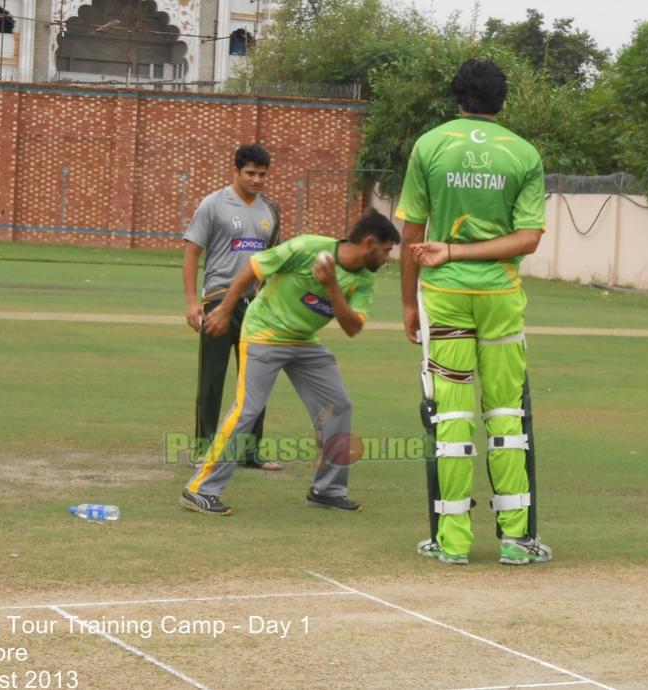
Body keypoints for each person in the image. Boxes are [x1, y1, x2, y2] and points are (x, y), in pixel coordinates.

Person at [397, 58, 553, 566]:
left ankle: (453, 541)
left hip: (441, 295)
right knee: (507, 414)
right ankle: (516, 541)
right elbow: (528, 238)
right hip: (500, 297)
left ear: (457, 98)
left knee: (452, 415)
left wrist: (406, 303)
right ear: (502, 101)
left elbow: (412, 235)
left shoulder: (431, 145)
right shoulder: (523, 153)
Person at [180, 209, 400, 516]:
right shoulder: (308, 248)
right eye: (387, 250)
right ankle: (200, 489)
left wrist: (333, 287)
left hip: (304, 340)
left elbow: (353, 327)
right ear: (369, 243)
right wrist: (226, 309)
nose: (388, 258)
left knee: (338, 405)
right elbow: (254, 267)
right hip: (265, 333)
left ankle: (327, 489)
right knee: (248, 409)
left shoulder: (365, 279)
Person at [183, 143, 282, 471]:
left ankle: (250, 452)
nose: (257, 180)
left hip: (255, 306)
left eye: (262, 174)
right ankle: (203, 449)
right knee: (211, 379)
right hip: (217, 302)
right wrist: (191, 302)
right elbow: (192, 252)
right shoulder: (214, 204)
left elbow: (273, 261)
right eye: (250, 173)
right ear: (236, 171)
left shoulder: (270, 210)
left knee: (256, 379)